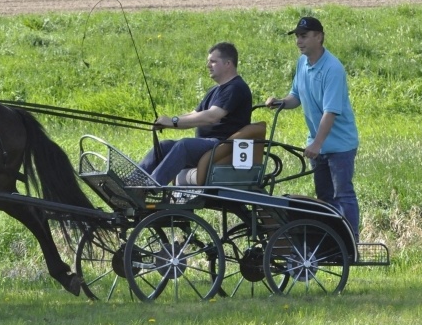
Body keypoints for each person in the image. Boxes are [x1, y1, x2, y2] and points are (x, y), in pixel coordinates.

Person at [265, 16, 360, 237]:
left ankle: (351, 242)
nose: (299, 41)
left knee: (342, 195)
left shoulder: (333, 69)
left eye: (304, 36)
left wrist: (317, 143)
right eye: (297, 36)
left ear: (319, 37)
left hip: (340, 145)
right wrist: (281, 102)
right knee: (324, 199)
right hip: (318, 146)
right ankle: (331, 242)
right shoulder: (303, 63)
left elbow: (331, 111)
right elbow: (296, 96)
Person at [138, 42, 253, 186]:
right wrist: (167, 122)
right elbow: (194, 115)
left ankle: (149, 187)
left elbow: (212, 117)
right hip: (209, 144)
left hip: (223, 145)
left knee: (184, 145)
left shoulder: (236, 88)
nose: (208, 65)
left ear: (228, 63)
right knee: (164, 145)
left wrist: (173, 121)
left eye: (213, 61)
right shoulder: (215, 90)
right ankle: (130, 183)